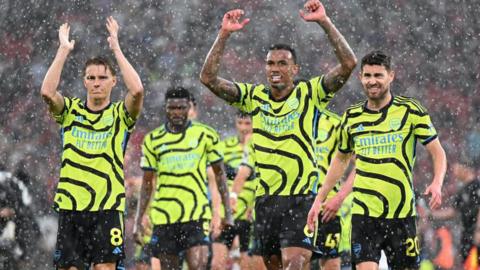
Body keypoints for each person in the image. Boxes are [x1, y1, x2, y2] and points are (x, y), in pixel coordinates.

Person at [200, 0, 357, 268]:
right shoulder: (254, 97)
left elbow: (348, 64)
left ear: (295, 69)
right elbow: (208, 78)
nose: (275, 68)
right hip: (266, 202)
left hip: (301, 200)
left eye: (282, 63)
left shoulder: (310, 93)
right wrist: (224, 35)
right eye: (270, 63)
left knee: (294, 264)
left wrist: (324, 22)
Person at [307, 50, 447, 270]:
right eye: (367, 76)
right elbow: (341, 160)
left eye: (378, 75)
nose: (372, 81)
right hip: (364, 215)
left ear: (391, 76)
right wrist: (320, 199)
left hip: (401, 214)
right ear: (360, 78)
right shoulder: (352, 117)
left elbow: (437, 151)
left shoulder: (410, 111)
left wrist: (437, 182)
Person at [40, 17, 144, 270]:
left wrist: (116, 49)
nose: (96, 82)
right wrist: (63, 50)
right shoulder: (70, 111)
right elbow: (47, 92)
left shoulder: (120, 114)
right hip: (71, 207)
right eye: (91, 78)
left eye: (102, 77)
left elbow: (138, 90)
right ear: (85, 81)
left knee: (104, 268)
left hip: (106, 208)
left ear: (113, 82)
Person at [133, 87, 233, 270]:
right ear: (166, 108)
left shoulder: (206, 135)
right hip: (164, 217)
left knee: (199, 266)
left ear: (189, 108)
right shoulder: (153, 140)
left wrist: (227, 213)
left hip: (196, 215)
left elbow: (219, 176)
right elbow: (147, 183)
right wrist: (139, 218)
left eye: (181, 107)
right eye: (172, 108)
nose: (177, 112)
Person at [211, 111, 257, 270]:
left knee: (248, 266)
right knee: (217, 265)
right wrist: (216, 212)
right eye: (240, 123)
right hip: (228, 213)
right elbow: (214, 180)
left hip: (249, 215)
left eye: (247, 124)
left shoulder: (261, 147)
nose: (243, 128)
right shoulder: (224, 146)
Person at [431, 160, 480, 266]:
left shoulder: (477, 185)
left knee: (475, 264)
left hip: (476, 234)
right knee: (468, 264)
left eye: (456, 169)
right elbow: (453, 211)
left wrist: (478, 230)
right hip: (467, 235)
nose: (454, 172)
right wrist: (431, 214)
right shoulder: (462, 190)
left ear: (464, 168)